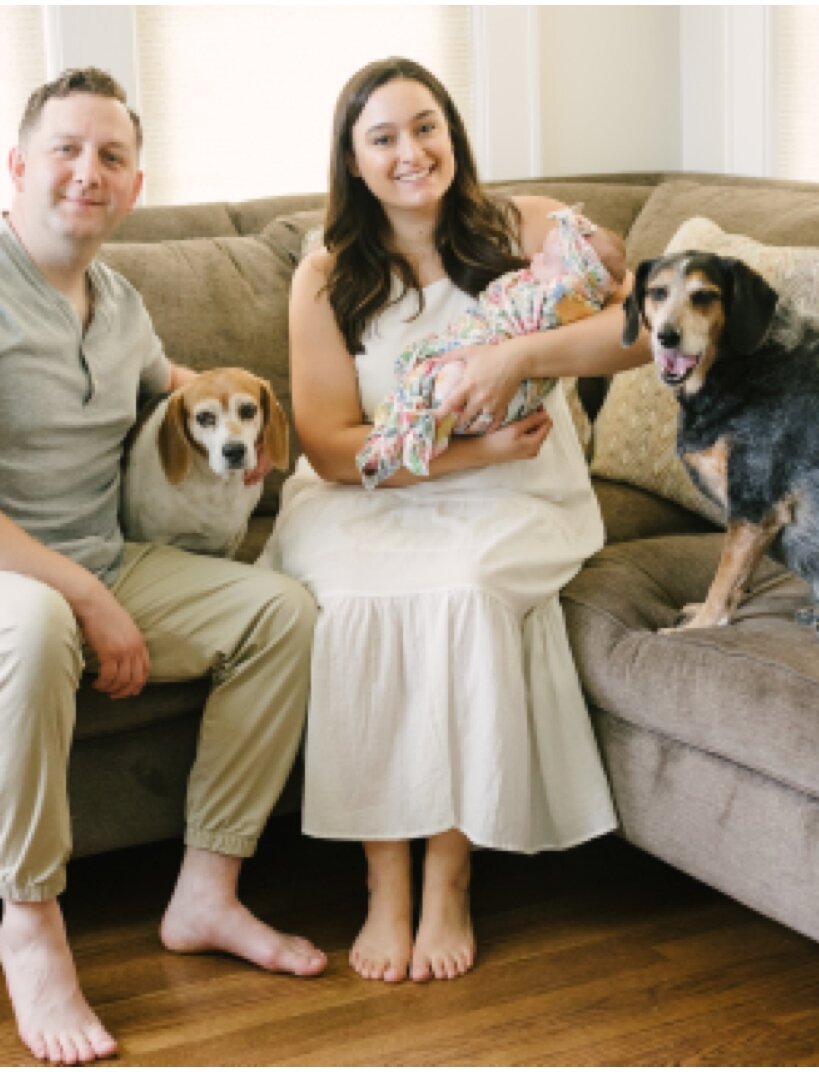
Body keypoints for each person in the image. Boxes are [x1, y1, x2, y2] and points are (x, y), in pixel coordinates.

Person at [0, 68, 325, 1066]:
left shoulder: (121, 303)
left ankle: (207, 892)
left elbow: (168, 386)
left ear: (134, 185)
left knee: (283, 611)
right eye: (65, 149)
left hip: (88, 557)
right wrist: (87, 593)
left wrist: (248, 425)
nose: (86, 173)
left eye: (111, 157)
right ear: (17, 166)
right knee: (32, 620)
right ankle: (31, 924)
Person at [258, 57, 650, 985]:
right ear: (352, 161)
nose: (410, 152)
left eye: (425, 127)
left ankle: (451, 870)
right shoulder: (326, 276)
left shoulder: (533, 226)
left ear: (453, 134)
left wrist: (520, 358)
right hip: (377, 490)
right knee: (355, 601)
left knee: (464, 592)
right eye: (382, 137)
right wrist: (472, 450)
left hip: (515, 492)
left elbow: (643, 326)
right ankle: (383, 873)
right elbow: (327, 448)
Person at [357, 209, 628, 486]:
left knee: (451, 390)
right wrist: (482, 451)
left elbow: (645, 319)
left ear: (576, 279)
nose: (532, 258)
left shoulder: (560, 296)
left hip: (519, 466)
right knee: (421, 381)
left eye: (545, 258)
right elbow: (326, 449)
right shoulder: (532, 277)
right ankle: (393, 438)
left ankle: (426, 431)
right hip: (464, 359)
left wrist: (516, 358)